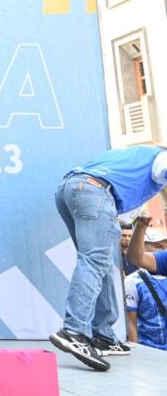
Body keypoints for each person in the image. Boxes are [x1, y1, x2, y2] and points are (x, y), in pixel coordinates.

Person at [49, 146, 167, 371]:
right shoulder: (159, 156)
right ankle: (74, 330)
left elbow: (125, 213)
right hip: (93, 191)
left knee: (100, 263)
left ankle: (104, 335)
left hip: (69, 190)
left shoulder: (132, 160)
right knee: (95, 261)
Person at [124, 214, 167, 351]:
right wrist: (141, 227)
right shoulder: (133, 281)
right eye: (158, 246)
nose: (163, 249)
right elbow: (136, 258)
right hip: (152, 351)